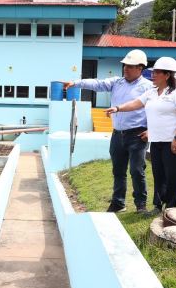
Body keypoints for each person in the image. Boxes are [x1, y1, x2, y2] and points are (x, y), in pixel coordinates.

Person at [63, 49, 153, 213]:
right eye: (125, 65)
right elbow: (97, 84)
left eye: (130, 66)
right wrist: (76, 82)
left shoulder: (148, 87)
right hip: (118, 134)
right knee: (118, 171)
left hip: (137, 135)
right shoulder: (117, 82)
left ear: (140, 68)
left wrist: (150, 130)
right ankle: (118, 203)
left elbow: (154, 110)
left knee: (136, 170)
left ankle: (141, 205)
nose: (126, 68)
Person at [105, 57, 176, 215]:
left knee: (172, 176)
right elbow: (135, 103)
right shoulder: (151, 92)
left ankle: (171, 209)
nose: (153, 75)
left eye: (157, 72)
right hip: (157, 141)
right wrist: (117, 108)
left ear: (167, 75)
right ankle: (158, 207)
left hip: (175, 141)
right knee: (159, 175)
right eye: (152, 72)